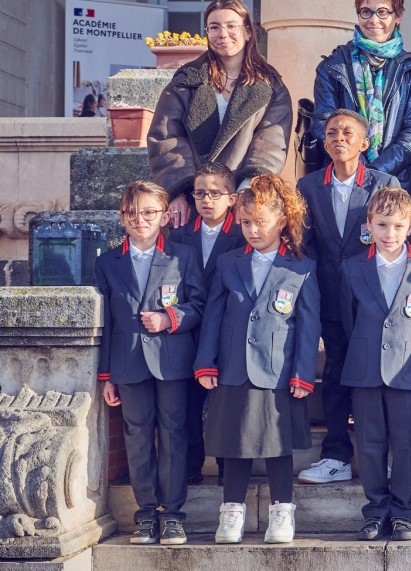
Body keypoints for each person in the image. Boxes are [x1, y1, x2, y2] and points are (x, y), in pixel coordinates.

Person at [195, 175, 320, 545]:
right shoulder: (229, 262)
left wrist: (303, 373)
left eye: (260, 222)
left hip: (278, 372)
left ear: (281, 221)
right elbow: (214, 315)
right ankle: (232, 511)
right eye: (245, 222)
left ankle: (282, 514)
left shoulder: (302, 267)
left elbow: (308, 325)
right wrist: (206, 362)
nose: (252, 230)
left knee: (277, 446)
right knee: (235, 444)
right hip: (233, 371)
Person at [97, 180, 206, 546]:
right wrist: (107, 375)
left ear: (164, 215)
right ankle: (145, 513)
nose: (140, 220)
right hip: (128, 364)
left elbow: (198, 305)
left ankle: (172, 513)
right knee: (137, 436)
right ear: (121, 216)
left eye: (148, 213)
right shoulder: (108, 262)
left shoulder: (183, 256)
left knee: (174, 435)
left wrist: (169, 318)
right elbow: (107, 323)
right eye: (131, 213)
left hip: (172, 362)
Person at [295, 110, 400, 485]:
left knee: (376, 378)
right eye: (333, 133)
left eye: (348, 132)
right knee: (337, 373)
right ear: (324, 143)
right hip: (329, 300)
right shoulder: (307, 188)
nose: (340, 138)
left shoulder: (384, 183)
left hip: (374, 301)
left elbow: (395, 243)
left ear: (364, 143)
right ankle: (336, 456)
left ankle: (380, 456)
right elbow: (303, 246)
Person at [339, 187, 411, 543]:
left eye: (397, 226)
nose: (389, 233)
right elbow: (348, 320)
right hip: (364, 369)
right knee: (370, 442)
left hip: (406, 370)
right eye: (382, 225)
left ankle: (403, 513)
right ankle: (376, 510)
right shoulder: (351, 268)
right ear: (369, 225)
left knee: (405, 443)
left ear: (409, 227)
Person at [148, 0, 291, 226]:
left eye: (231, 26)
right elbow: (166, 136)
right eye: (214, 27)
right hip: (194, 198)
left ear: (247, 31)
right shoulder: (185, 81)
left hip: (241, 201)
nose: (222, 34)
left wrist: (247, 189)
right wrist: (178, 191)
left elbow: (271, 141)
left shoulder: (270, 84)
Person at [312, 0, 411, 195]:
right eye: (366, 11)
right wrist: (355, 169)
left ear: (398, 16)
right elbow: (322, 123)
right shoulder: (333, 67)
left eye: (383, 12)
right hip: (343, 179)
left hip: (397, 182)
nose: (374, 20)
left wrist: (374, 172)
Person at [169, 162, 245, 485]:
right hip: (188, 333)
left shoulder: (243, 234)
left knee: (225, 405)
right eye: (200, 193)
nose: (207, 200)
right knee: (188, 404)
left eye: (216, 193)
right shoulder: (179, 235)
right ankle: (191, 464)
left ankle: (229, 467)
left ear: (231, 198)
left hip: (228, 333)